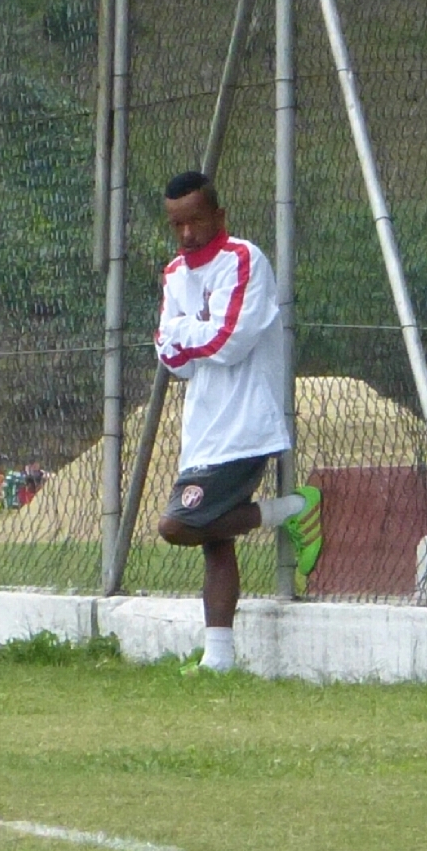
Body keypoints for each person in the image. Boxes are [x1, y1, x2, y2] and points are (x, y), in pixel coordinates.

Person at [153, 171, 323, 673]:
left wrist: (182, 330)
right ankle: (219, 659)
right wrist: (185, 335)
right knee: (213, 539)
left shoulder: (244, 260)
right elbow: (174, 361)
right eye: (177, 225)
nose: (187, 235)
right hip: (203, 429)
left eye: (196, 221)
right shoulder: (174, 275)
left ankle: (292, 508)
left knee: (178, 525)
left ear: (219, 217)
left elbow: (227, 344)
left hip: (246, 425)